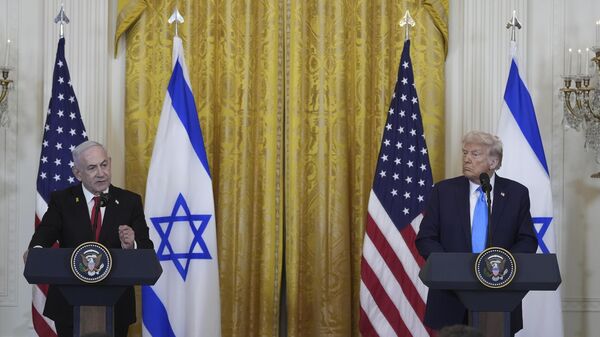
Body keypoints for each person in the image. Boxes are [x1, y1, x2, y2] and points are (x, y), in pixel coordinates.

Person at [24, 140, 153, 337]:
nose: (101, 173)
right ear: (78, 173)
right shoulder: (62, 200)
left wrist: (132, 245)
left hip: (116, 306)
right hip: (68, 305)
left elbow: (146, 250)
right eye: (92, 168)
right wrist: (36, 253)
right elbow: (46, 233)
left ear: (109, 163)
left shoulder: (130, 201)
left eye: (104, 164)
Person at [415, 131, 538, 335]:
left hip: (499, 295)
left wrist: (502, 267)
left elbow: (527, 240)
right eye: (465, 153)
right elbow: (426, 238)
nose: (466, 159)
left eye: (475, 154)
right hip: (450, 296)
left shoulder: (517, 193)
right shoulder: (443, 191)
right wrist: (450, 268)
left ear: (493, 161)